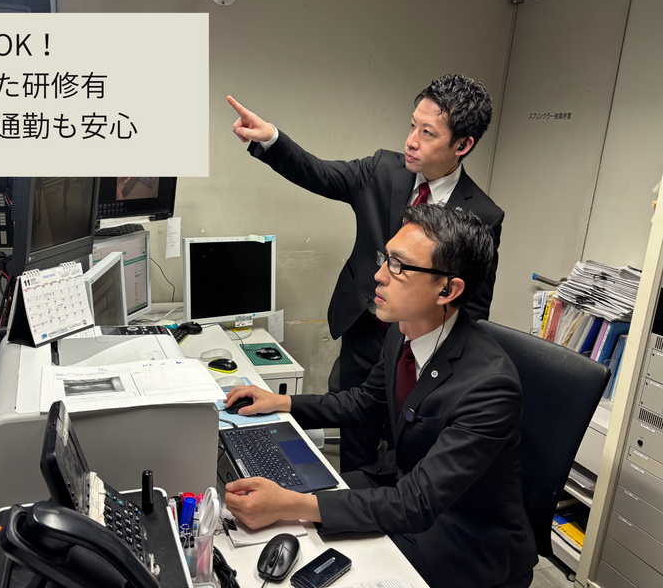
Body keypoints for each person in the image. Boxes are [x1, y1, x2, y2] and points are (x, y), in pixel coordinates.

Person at [223, 205, 537, 588]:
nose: (380, 275)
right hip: (403, 488)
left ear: (448, 290)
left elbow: (416, 503)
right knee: (293, 514)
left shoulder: (490, 386)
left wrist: (290, 503)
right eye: (385, 259)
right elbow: (364, 402)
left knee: (323, 553)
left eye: (399, 266)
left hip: (467, 534)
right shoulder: (404, 330)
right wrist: (282, 403)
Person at [228, 74, 504, 473]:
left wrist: (443, 367)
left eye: (427, 133)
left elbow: (473, 304)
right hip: (364, 329)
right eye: (412, 125)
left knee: (407, 450)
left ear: (462, 145)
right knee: (354, 435)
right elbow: (321, 174)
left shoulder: (482, 215)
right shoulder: (383, 169)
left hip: (421, 350)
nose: (411, 141)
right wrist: (271, 138)